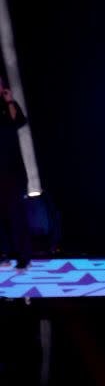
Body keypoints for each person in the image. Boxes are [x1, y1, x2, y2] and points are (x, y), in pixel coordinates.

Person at [0, 73, 32, 268]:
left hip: (12, 171)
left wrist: (10, 101)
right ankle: (2, 254)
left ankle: (22, 257)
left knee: (16, 215)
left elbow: (19, 121)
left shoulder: (8, 105)